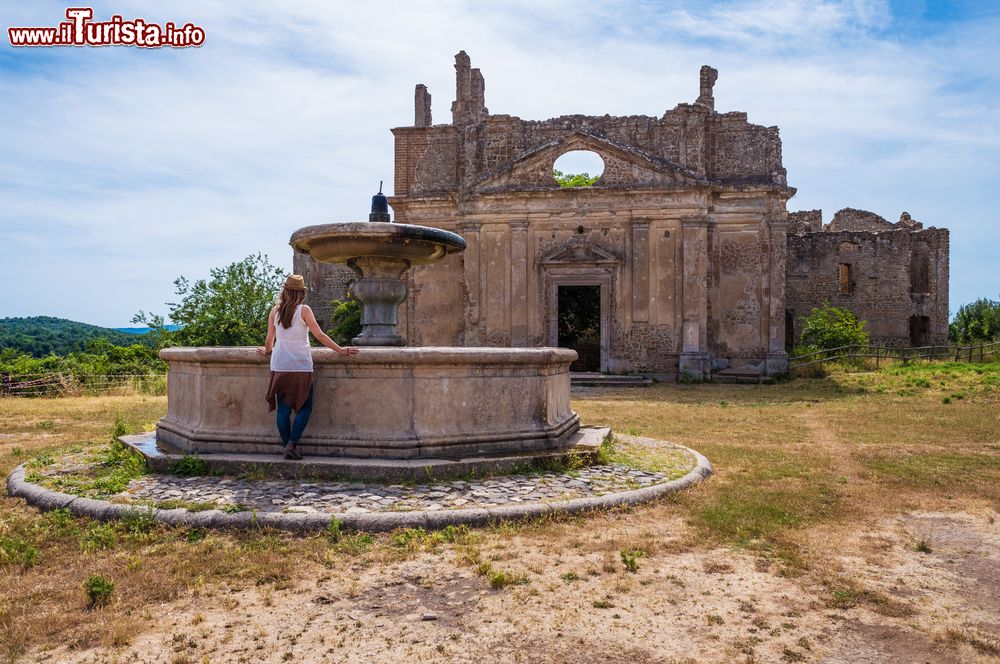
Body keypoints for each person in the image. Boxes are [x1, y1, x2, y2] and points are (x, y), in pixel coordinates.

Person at [258, 275, 359, 460]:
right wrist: (341, 350)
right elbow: (319, 335)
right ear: (301, 293)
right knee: (305, 407)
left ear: (285, 291)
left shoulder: (275, 311)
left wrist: (266, 351)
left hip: (280, 365)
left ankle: (287, 445)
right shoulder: (304, 310)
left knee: (283, 410)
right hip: (300, 366)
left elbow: (269, 338)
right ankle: (292, 444)